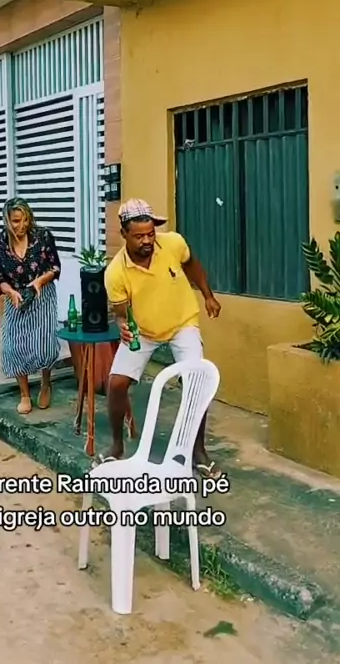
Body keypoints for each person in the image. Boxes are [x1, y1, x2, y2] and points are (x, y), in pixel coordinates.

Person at [103, 198, 223, 479]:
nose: (147, 240)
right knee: (116, 384)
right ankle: (117, 446)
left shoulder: (173, 243)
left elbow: (192, 265)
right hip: (143, 330)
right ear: (124, 234)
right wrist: (122, 325)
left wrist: (208, 295)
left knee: (196, 383)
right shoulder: (115, 273)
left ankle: (198, 452)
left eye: (150, 233)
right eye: (139, 236)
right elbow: (120, 313)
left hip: (182, 323)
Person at [0, 198, 61, 415]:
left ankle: (46, 383)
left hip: (41, 293)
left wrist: (39, 282)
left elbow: (55, 267)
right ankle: (24, 394)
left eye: (25, 220)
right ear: (7, 221)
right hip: (16, 297)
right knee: (14, 346)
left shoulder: (43, 236)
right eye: (16, 221)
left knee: (44, 344)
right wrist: (10, 292)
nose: (21, 226)